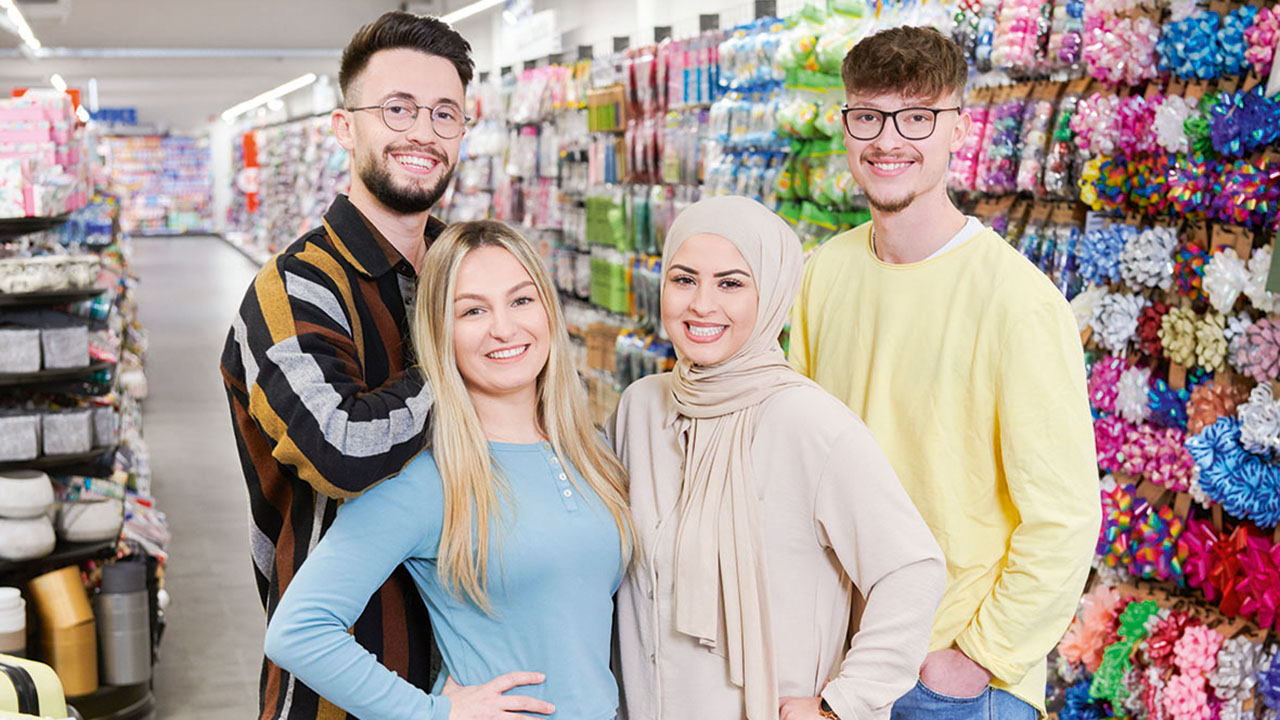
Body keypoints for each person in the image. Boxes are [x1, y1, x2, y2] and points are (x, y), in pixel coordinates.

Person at [788, 27, 1101, 720]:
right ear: (845, 125)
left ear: (959, 127)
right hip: (840, 665)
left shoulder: (1018, 302)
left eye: (917, 117)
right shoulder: (822, 274)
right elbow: (797, 456)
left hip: (951, 684)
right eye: (868, 115)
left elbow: (1065, 518)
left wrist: (974, 659)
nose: (887, 140)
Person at [264, 220, 634, 719]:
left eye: (522, 301)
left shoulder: (592, 450)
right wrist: (434, 713)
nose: (504, 328)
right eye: (473, 310)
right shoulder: (426, 477)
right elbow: (299, 630)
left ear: (549, 309)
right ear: (441, 330)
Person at [220, 11, 473, 719]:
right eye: (397, 108)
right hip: (344, 673)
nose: (423, 131)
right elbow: (340, 449)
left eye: (444, 113)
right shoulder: (292, 288)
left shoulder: (473, 270)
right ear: (344, 126)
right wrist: (463, 358)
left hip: (478, 664)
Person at [609, 195, 946, 720]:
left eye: (731, 283)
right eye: (683, 279)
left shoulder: (807, 423)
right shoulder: (641, 409)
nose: (701, 304)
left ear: (773, 293)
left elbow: (911, 568)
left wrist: (842, 704)